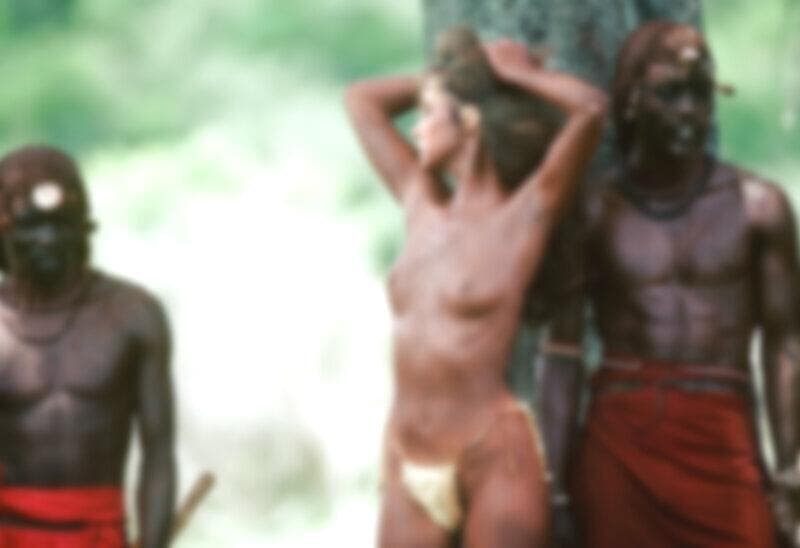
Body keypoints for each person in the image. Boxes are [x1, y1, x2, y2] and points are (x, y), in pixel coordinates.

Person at [537, 21, 800, 547]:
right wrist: (557, 490)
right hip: (620, 446)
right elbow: (562, 352)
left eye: (701, 94)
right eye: (671, 93)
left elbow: (785, 343)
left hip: (724, 440)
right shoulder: (593, 210)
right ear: (632, 100)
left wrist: (791, 466)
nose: (689, 111)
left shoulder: (759, 207)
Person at [345, 26, 606, 547]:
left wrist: (512, 74)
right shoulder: (419, 200)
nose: (417, 128)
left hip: (493, 454)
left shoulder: (525, 216)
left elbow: (591, 110)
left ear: (468, 120)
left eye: (428, 113)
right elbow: (360, 101)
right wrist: (456, 76)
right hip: (407, 455)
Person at [0, 145, 175, 547]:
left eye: (61, 224)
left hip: (100, 535)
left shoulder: (133, 316)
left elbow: (158, 453)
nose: (47, 239)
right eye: (31, 226)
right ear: (4, 229)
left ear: (84, 228)